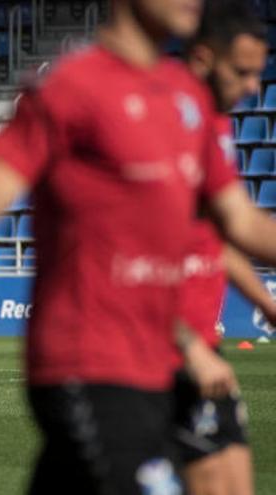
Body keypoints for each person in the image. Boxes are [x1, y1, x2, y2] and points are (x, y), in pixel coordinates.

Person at [0, 0, 276, 493]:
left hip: (159, 368)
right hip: (88, 363)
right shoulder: (70, 85)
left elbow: (240, 220)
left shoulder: (187, 97)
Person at [176, 2, 270, 493]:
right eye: (243, 73)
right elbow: (127, 252)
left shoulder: (214, 124)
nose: (254, 88)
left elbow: (222, 234)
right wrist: (188, 344)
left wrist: (265, 302)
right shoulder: (167, 118)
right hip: (151, 353)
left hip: (198, 350)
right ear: (204, 58)